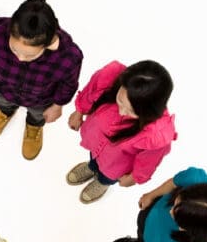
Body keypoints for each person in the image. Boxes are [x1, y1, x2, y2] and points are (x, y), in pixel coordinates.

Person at [0, 0, 83, 160]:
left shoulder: (68, 56)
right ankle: (4, 112)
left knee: (37, 115)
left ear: (49, 44)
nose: (21, 58)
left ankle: (33, 126)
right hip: (2, 88)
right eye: (15, 50)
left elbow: (68, 86)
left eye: (30, 55)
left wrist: (57, 106)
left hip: (40, 100)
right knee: (4, 103)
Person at [66, 60, 176, 203]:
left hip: (117, 164)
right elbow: (91, 92)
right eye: (120, 101)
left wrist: (134, 177)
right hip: (96, 141)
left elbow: (148, 161)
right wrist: (79, 111)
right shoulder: (109, 78)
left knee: (107, 175)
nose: (122, 111)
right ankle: (91, 167)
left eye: (132, 112)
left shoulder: (155, 136)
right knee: (93, 159)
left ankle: (102, 182)